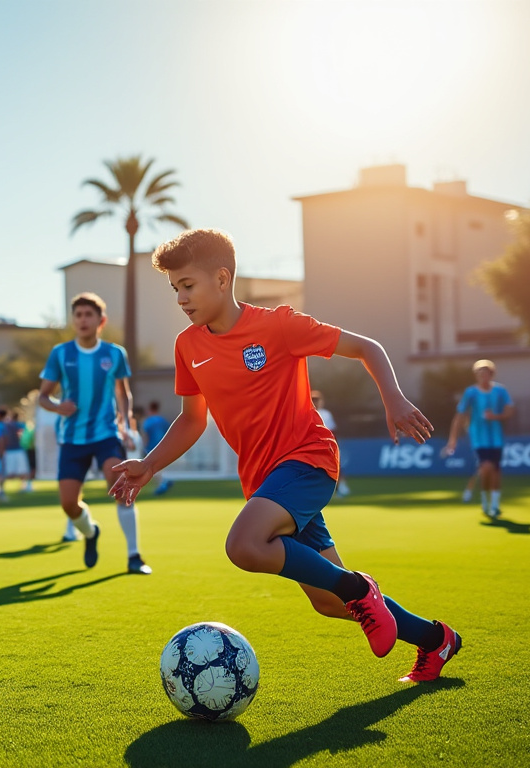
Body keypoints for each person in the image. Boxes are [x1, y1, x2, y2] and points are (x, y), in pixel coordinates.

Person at [111, 229, 460, 683]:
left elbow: (366, 347)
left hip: (308, 459)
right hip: (264, 481)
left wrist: (392, 399)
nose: (180, 297)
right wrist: (149, 464)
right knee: (328, 601)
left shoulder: (278, 325)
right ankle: (436, 640)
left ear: (222, 278)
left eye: (188, 285)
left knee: (245, 545)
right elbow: (193, 420)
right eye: (174, 288)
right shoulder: (188, 347)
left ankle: (360, 587)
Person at [38, 292, 150, 575]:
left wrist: (125, 423)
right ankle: (90, 532)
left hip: (106, 434)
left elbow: (123, 394)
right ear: (73, 320)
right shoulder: (60, 354)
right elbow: (43, 397)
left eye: (89, 315)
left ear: (101, 321)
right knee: (68, 504)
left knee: (119, 482)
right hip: (72, 438)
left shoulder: (114, 354)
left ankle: (134, 556)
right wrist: (56, 406)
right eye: (78, 315)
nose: (83, 320)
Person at [445, 360, 513, 520]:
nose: (482, 376)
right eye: (479, 373)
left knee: (496, 471)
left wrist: (496, 416)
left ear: (491, 374)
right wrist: (452, 439)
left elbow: (510, 409)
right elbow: (460, 416)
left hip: (496, 437)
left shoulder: (500, 391)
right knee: (486, 467)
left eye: (486, 373)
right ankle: (485, 501)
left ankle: (494, 505)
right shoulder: (471, 393)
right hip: (478, 437)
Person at [311, 391, 351, 498]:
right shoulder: (307, 413)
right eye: (313, 400)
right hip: (312, 447)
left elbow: (332, 430)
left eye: (317, 400)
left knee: (336, 466)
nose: (315, 402)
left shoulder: (326, 414)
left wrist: (334, 445)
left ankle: (341, 488)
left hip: (327, 446)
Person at [141, 401, 173, 497]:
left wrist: (144, 447)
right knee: (157, 467)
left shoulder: (148, 421)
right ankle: (163, 483)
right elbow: (169, 432)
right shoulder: (163, 420)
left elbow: (145, 435)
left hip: (151, 448)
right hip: (163, 447)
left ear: (150, 409)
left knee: (152, 468)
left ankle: (163, 483)